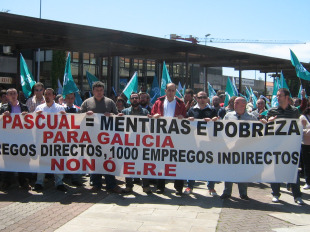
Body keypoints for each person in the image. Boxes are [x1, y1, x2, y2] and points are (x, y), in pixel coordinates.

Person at [80, 81, 124, 194]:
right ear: (93, 91)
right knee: (95, 161)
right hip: (92, 138)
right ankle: (96, 184)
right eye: (96, 90)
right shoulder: (86, 103)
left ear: (103, 91)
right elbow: (79, 118)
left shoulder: (109, 102)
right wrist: (86, 115)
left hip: (108, 139)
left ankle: (111, 185)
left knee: (109, 161)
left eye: (101, 90)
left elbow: (117, 117)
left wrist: (112, 116)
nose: (99, 92)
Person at [262, 88, 304, 205]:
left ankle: (297, 196)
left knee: (293, 170)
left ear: (287, 97)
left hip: (290, 146)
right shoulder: (272, 110)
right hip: (275, 146)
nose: (277, 97)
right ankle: (275, 194)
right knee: (275, 170)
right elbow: (265, 127)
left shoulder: (295, 111)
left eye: (280, 95)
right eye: (277, 95)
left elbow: (297, 127)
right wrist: (268, 121)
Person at [151, 83, 186, 195]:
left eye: (173, 90)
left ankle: (179, 187)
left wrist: (183, 118)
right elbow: (151, 116)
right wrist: (154, 116)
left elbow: (186, 119)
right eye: (169, 90)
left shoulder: (181, 103)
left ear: (175, 91)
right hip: (161, 136)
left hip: (176, 137)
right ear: (165, 90)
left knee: (177, 162)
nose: (170, 92)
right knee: (162, 161)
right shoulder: (158, 102)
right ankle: (160, 186)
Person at [220, 97, 257, 200]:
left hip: (245, 149)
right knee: (229, 171)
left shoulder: (252, 118)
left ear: (243, 105)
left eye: (236, 103)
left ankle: (243, 193)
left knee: (243, 171)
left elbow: (257, 133)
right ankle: (227, 192)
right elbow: (222, 129)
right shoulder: (228, 116)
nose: (233, 104)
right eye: (234, 103)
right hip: (230, 149)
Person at [184, 91, 219, 196]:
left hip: (208, 142)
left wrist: (214, 120)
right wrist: (188, 120)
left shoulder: (212, 110)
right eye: (200, 97)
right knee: (192, 164)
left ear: (207, 99)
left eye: (204, 97)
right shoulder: (191, 110)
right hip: (194, 142)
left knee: (210, 165)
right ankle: (190, 186)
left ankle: (211, 187)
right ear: (197, 99)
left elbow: (218, 123)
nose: (202, 99)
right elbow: (185, 125)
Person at [33, 88, 68, 192]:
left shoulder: (60, 108)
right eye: (45, 94)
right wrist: (35, 116)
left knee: (57, 160)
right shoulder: (39, 108)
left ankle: (59, 182)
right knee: (42, 161)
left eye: (49, 94)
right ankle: (39, 182)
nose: (47, 96)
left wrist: (64, 117)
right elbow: (33, 124)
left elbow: (65, 124)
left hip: (56, 139)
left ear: (53, 96)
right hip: (43, 140)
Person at [118, 92, 152, 194]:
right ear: (130, 100)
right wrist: (117, 116)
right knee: (128, 164)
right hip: (128, 142)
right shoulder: (124, 112)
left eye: (136, 98)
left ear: (139, 99)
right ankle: (129, 186)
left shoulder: (145, 111)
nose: (135, 100)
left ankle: (146, 186)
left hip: (142, 142)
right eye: (132, 98)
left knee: (143, 164)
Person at [0, 88, 30, 191]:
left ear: (17, 95)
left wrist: (27, 116)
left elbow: (30, 123)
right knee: (8, 160)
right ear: (7, 96)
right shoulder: (3, 108)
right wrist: (3, 116)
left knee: (22, 160)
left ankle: (23, 181)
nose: (13, 95)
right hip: (8, 138)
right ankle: (6, 182)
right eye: (10, 94)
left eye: (14, 93)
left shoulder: (24, 107)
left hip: (21, 138)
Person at [64, 92, 83, 186]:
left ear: (74, 98)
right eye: (68, 98)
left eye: (72, 98)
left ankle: (75, 178)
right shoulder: (61, 109)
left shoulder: (79, 110)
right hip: (63, 137)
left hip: (75, 138)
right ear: (65, 99)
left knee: (75, 157)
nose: (70, 100)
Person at [300, 107, 310, 190]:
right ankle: (308, 182)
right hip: (306, 144)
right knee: (307, 164)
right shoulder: (303, 118)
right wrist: (308, 131)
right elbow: (300, 131)